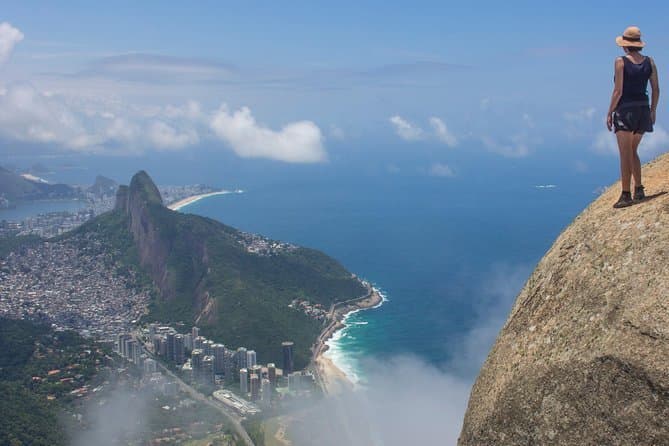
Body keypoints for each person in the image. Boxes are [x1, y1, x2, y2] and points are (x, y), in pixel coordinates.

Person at [606, 26, 660, 208]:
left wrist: (609, 112)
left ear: (625, 45)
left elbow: (618, 90)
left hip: (625, 111)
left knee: (624, 154)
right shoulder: (650, 62)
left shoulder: (620, 62)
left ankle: (626, 194)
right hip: (643, 110)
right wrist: (653, 110)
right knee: (633, 150)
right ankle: (639, 188)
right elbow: (656, 89)